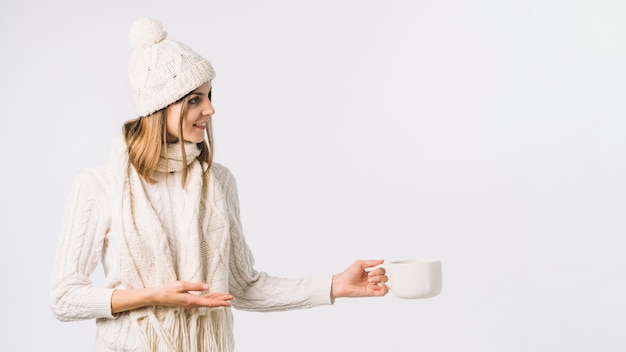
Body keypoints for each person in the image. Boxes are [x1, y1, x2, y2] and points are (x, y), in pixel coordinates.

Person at [50, 17, 389, 351]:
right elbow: (64, 299)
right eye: (194, 99)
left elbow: (243, 287)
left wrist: (335, 285)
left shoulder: (219, 181)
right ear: (159, 106)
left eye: (209, 95)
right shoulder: (98, 185)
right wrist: (153, 296)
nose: (211, 109)